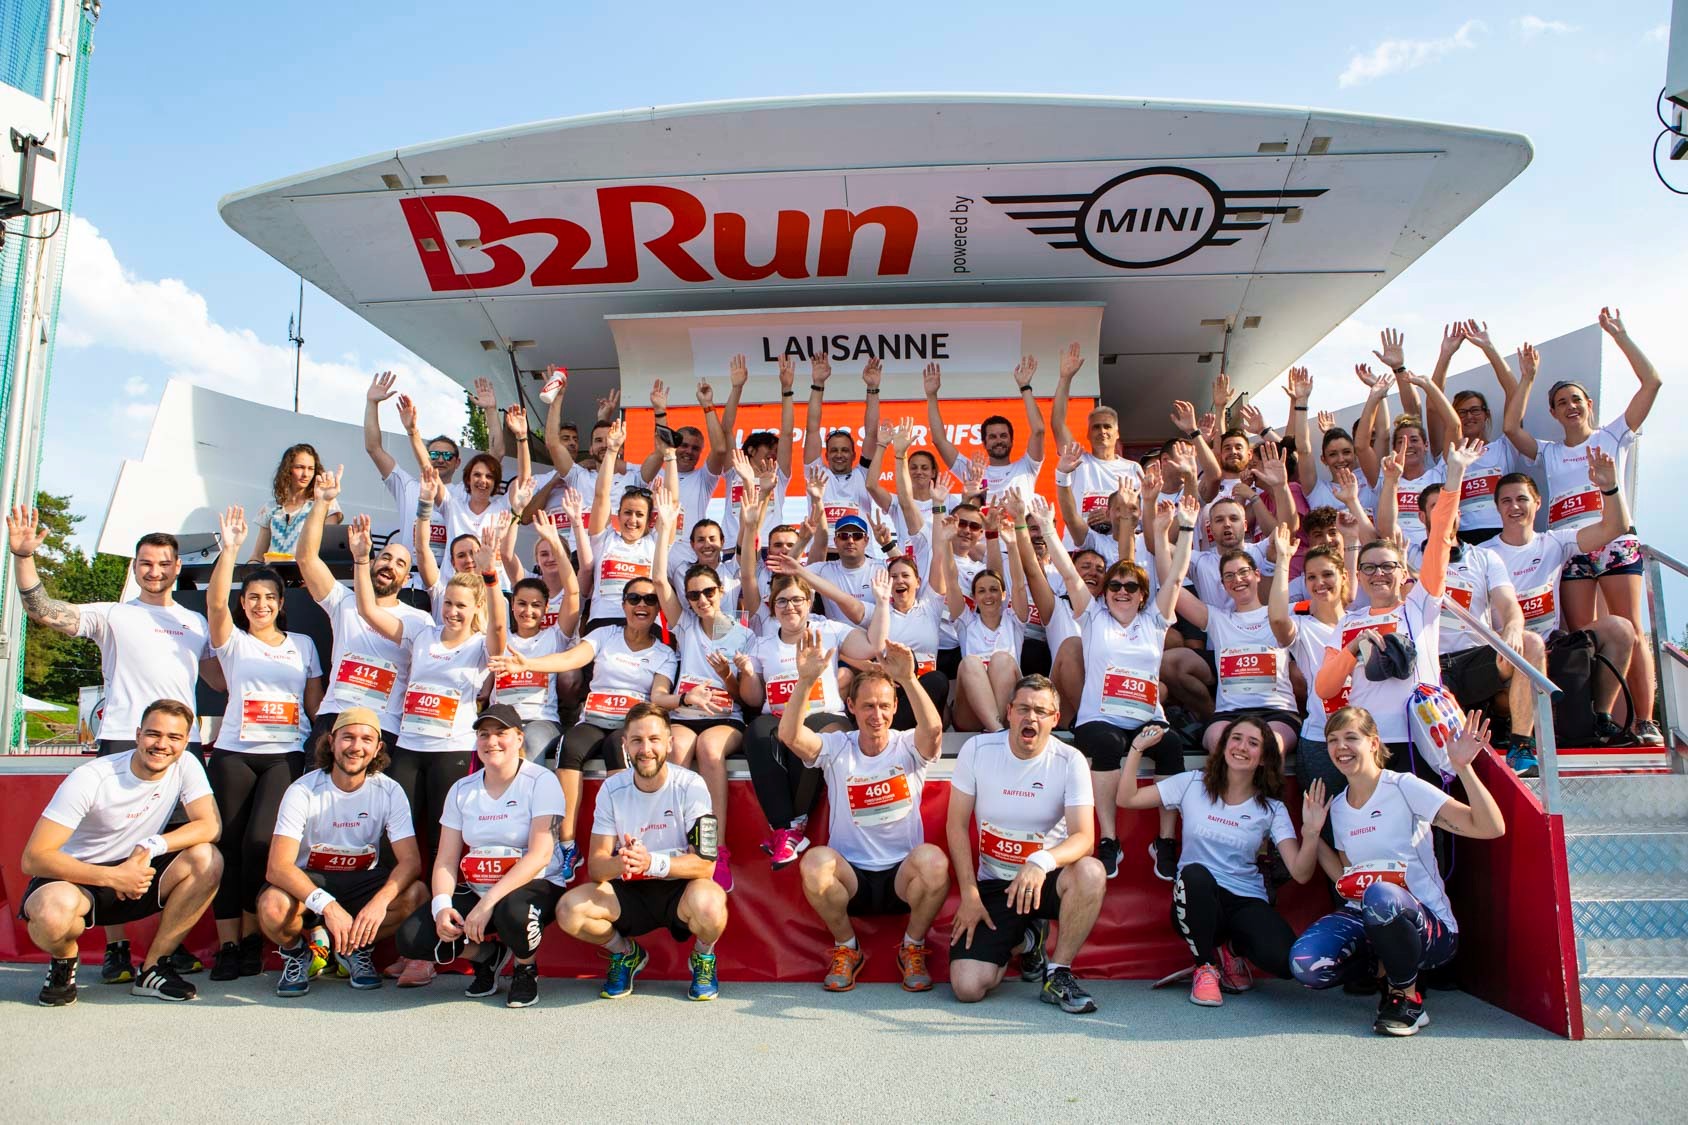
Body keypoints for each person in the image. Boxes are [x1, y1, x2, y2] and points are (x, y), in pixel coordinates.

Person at [8, 507, 217, 982]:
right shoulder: (112, 614)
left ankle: (166, 949)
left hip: (182, 746)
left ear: (177, 567)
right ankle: (117, 949)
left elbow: (218, 678)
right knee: (111, 841)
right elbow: (44, 611)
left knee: (186, 846)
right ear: (134, 567)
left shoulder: (196, 623)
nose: (155, 571)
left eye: (163, 563)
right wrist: (24, 558)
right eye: (146, 563)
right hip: (124, 735)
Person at [351, 512, 507, 986]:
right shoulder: (421, 633)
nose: (453, 612)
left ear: (474, 609)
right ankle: (402, 941)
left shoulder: (480, 644)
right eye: (449, 604)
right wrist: (360, 561)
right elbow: (368, 611)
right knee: (397, 840)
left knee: (444, 847)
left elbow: (500, 629)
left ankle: (432, 950)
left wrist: (490, 575)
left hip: (451, 753)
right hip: (408, 749)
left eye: (462, 606)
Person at [1291, 706, 1505, 1036]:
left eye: (1351, 737)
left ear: (1373, 743)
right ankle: (1383, 969)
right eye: (1332, 739)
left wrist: (1463, 768)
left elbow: (1490, 827)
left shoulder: (1405, 786)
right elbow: (1348, 877)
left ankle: (1407, 999)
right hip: (1370, 914)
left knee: (1381, 896)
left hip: (1431, 931)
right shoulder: (1340, 806)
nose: (1340, 747)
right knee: (1306, 964)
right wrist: (1313, 833)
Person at [1504, 311, 1663, 745]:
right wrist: (1528, 377)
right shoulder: (1550, 452)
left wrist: (1622, 336)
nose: (1570, 407)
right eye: (1561, 403)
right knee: (1582, 639)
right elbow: (1512, 427)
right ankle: (1597, 719)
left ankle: (1644, 720)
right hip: (1572, 549)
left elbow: (1651, 384)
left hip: (1613, 543)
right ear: (1554, 413)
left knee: (1631, 629)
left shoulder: (1612, 436)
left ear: (1588, 404)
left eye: (1576, 400)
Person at [19, 699, 221, 1005]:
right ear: (138, 735)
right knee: (51, 916)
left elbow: (210, 826)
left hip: (134, 873)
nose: (162, 745)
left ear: (185, 742)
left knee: (208, 859)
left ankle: (153, 968)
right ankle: (64, 960)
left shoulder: (186, 764)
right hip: (77, 879)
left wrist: (151, 844)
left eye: (174, 737)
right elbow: (34, 857)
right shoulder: (92, 777)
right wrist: (113, 876)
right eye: (153, 734)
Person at [779, 634, 947, 992]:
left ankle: (912, 946)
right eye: (868, 706)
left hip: (902, 877)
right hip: (852, 877)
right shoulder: (838, 746)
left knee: (934, 861)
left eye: (884, 706)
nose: (877, 715)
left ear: (895, 706)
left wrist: (909, 678)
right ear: (851, 707)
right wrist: (805, 681)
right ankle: (847, 947)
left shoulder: (907, 744)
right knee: (814, 863)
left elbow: (933, 730)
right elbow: (790, 736)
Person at [1115, 717, 1318, 1007]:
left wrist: (1311, 833)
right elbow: (1127, 798)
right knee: (1195, 874)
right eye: (1236, 738)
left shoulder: (1272, 808)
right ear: (1223, 746)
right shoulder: (1192, 783)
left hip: (1245, 899)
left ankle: (1230, 950)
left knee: (1286, 962)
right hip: (1197, 897)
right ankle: (1205, 967)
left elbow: (1300, 873)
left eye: (1253, 743)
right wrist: (1137, 749)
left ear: (1264, 758)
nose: (1242, 747)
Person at [202, 506, 325, 981]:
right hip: (234, 754)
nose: (260, 604)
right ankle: (229, 945)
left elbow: (315, 704)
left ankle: (254, 937)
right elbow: (215, 605)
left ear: (280, 602)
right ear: (244, 602)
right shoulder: (232, 641)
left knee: (260, 845)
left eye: (269, 597)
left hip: (284, 756)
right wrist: (231, 550)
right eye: (252, 597)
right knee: (227, 847)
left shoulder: (303, 645)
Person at [493, 572, 679, 875]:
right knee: (569, 746)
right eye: (634, 598)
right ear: (623, 604)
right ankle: (567, 846)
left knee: (619, 750)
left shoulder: (664, 653)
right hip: (593, 719)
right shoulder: (605, 635)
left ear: (658, 609)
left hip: (629, 726)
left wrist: (683, 699)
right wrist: (529, 664)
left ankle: (624, 842)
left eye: (650, 600)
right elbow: (570, 659)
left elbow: (659, 695)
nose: (641, 605)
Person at [1313, 436, 1475, 780]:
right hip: (1367, 745)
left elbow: (1441, 537)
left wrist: (1455, 476)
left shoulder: (1419, 606)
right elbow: (1325, 688)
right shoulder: (1348, 623)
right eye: (1369, 568)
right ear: (1359, 576)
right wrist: (1352, 650)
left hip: (1420, 739)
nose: (1379, 574)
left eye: (1388, 566)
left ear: (1404, 574)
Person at [947, 675, 1106, 1013]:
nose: (1030, 717)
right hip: (996, 884)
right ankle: (1027, 940)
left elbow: (1084, 838)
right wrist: (969, 894)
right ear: (1009, 712)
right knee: (967, 986)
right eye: (1023, 709)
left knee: (1091, 872)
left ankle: (1058, 973)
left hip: (1046, 880)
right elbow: (956, 826)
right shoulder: (977, 750)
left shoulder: (1070, 760)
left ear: (1055, 718)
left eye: (1040, 711)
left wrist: (1040, 862)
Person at [392, 705, 569, 1009]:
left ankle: (525, 968)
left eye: (501, 733)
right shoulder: (462, 789)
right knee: (412, 938)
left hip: (534, 885)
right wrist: (441, 906)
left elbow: (540, 855)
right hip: (478, 887)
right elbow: (445, 860)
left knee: (511, 912)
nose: (492, 741)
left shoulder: (541, 781)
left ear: (519, 738)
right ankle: (487, 956)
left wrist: (488, 904)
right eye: (484, 734)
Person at [555, 704, 728, 1002]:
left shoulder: (692, 784)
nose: (646, 749)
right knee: (569, 911)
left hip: (679, 890)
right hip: (630, 890)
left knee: (711, 905)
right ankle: (626, 953)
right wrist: (621, 861)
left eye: (654, 739)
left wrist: (651, 862)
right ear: (625, 744)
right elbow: (597, 867)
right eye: (637, 740)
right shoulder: (612, 789)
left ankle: (703, 956)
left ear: (669, 743)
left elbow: (706, 865)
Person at [257, 708, 427, 997]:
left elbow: (410, 862)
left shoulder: (389, 790)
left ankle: (355, 949)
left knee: (417, 895)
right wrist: (329, 907)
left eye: (366, 739)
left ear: (378, 748)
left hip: (361, 881)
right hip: (310, 881)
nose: (356, 747)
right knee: (272, 906)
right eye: (348, 737)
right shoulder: (303, 790)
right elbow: (278, 867)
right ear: (331, 742)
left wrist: (379, 904)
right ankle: (298, 954)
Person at [1071, 497, 1198, 881]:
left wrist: (1186, 528)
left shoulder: (1155, 621)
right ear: (1105, 591)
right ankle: (1109, 839)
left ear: (1143, 594)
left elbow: (1175, 578)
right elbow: (1067, 573)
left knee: (1171, 745)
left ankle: (1165, 840)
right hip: (1100, 719)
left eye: (1131, 586)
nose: (1122, 591)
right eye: (1115, 585)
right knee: (1107, 743)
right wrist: (1045, 526)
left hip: (1146, 717)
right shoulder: (1093, 616)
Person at [1390, 477, 1546, 775]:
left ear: (1459, 514)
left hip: (1475, 660)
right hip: (1431, 668)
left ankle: (1521, 748)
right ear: (1422, 516)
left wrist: (1513, 627)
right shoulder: (1407, 557)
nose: (1446, 515)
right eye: (1437, 508)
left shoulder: (1484, 557)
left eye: (1451, 509)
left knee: (1531, 644)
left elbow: (1509, 605)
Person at [739, 572, 887, 869]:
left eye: (797, 599)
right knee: (756, 733)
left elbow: (873, 646)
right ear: (773, 606)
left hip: (825, 716)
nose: (790, 606)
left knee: (812, 736)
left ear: (809, 603)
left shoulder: (829, 630)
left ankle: (793, 826)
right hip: (778, 718)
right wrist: (747, 673)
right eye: (782, 601)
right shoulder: (762, 644)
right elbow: (753, 699)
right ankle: (785, 829)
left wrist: (882, 604)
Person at [1488, 453, 1635, 744]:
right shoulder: (1483, 554)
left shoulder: (1555, 541)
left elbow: (1615, 528)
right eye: (1506, 501)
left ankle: (1601, 718)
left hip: (1553, 650)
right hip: (1509, 658)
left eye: (1522, 499)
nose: (1514, 506)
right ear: (1498, 508)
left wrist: (1610, 487)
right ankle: (1513, 727)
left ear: (1537, 503)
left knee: (1620, 628)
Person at [650, 488, 755, 892]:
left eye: (708, 592)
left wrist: (729, 676)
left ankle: (716, 849)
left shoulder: (742, 635)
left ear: (721, 592)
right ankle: (675, 844)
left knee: (710, 751)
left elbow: (747, 698)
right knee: (675, 748)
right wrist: (664, 528)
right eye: (693, 595)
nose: (701, 600)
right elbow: (659, 580)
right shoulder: (686, 626)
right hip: (684, 714)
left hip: (725, 718)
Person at [296, 467, 432, 753]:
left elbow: (369, 610)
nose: (390, 565)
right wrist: (322, 502)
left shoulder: (419, 620)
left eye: (400, 564)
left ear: (407, 579)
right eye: (385, 557)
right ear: (372, 563)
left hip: (384, 726)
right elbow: (306, 559)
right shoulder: (343, 601)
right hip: (335, 717)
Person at [1176, 536, 1301, 762]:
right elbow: (1173, 586)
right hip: (1229, 714)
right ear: (1223, 585)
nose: (1238, 579)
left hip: (1277, 712)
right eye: (1229, 576)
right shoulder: (1217, 619)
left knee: (1269, 748)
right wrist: (1175, 532)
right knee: (1219, 745)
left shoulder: (1284, 614)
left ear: (1257, 575)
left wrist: (1284, 559)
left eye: (1244, 572)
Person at [363, 371, 506, 565]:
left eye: (447, 456)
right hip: (411, 575)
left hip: (451, 575)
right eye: (434, 454)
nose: (440, 459)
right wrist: (372, 404)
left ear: (457, 462)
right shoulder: (406, 486)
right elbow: (374, 448)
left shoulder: (465, 494)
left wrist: (490, 410)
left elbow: (496, 454)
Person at [1267, 529, 1353, 795]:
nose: (1320, 583)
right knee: (1322, 815)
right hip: (1320, 737)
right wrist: (1283, 561)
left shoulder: (1361, 621)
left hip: (1363, 736)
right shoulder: (1302, 626)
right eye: (1311, 577)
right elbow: (1278, 619)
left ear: (1344, 576)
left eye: (1327, 574)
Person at [1425, 320, 1526, 544]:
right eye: (1461, 412)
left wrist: (1488, 347)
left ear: (1486, 414)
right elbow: (1432, 406)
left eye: (1475, 410)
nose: (1469, 416)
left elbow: (1514, 392)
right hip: (1463, 537)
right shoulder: (1449, 453)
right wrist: (1446, 354)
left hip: (1503, 534)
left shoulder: (1505, 447)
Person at [937, 506, 1031, 732]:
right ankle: (998, 733)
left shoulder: (1014, 620)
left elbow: (1019, 585)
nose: (988, 595)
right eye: (981, 591)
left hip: (1008, 710)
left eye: (994, 590)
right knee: (970, 663)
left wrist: (1012, 545)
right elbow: (951, 582)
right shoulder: (966, 622)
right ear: (974, 597)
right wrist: (946, 542)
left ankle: (996, 729)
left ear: (1003, 594)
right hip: (970, 713)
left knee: (1001, 659)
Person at [922, 356, 1046, 500]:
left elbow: (1039, 430)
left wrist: (1025, 388)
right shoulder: (973, 471)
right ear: (984, 442)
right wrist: (931, 396)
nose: (999, 441)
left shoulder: (1027, 467)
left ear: (1012, 440)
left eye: (1003, 436)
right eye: (992, 437)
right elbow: (939, 441)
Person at [584, 420, 666, 634]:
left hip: (645, 624)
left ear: (649, 520)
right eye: (627, 513)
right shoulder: (604, 539)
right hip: (603, 621)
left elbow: (672, 502)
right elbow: (601, 495)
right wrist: (612, 451)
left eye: (640, 515)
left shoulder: (653, 543)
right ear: (618, 515)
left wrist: (671, 456)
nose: (632, 520)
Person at [803, 354, 886, 546]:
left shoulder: (863, 474)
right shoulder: (816, 473)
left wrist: (872, 388)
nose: (839, 455)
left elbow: (871, 434)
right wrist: (818, 384)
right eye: (834, 450)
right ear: (826, 455)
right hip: (824, 553)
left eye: (844, 450)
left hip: (860, 553)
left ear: (854, 454)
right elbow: (812, 428)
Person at [247, 442, 341, 560]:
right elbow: (257, 556)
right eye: (300, 467)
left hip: (306, 570)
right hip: (272, 570)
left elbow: (328, 552)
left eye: (311, 469)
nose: (306, 474)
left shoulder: (325, 503)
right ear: (288, 469)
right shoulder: (271, 507)